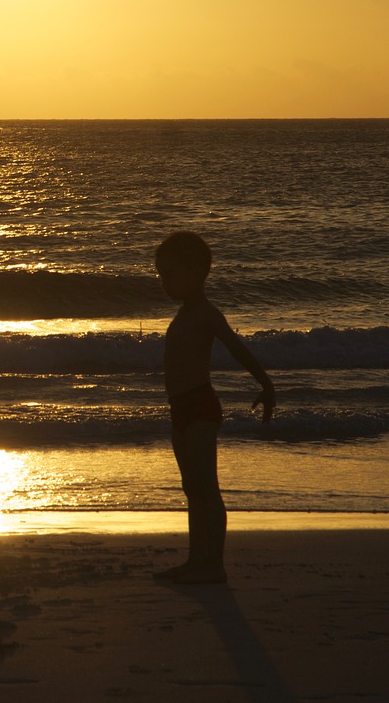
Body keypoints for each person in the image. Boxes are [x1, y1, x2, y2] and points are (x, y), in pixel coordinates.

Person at [154, 231, 275, 584]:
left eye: (170, 275)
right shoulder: (183, 315)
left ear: (197, 272)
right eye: (161, 276)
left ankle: (214, 565)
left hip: (201, 406)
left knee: (207, 486)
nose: (165, 283)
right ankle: (195, 560)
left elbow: (237, 348)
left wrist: (265, 383)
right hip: (179, 408)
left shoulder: (206, 314)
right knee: (191, 486)